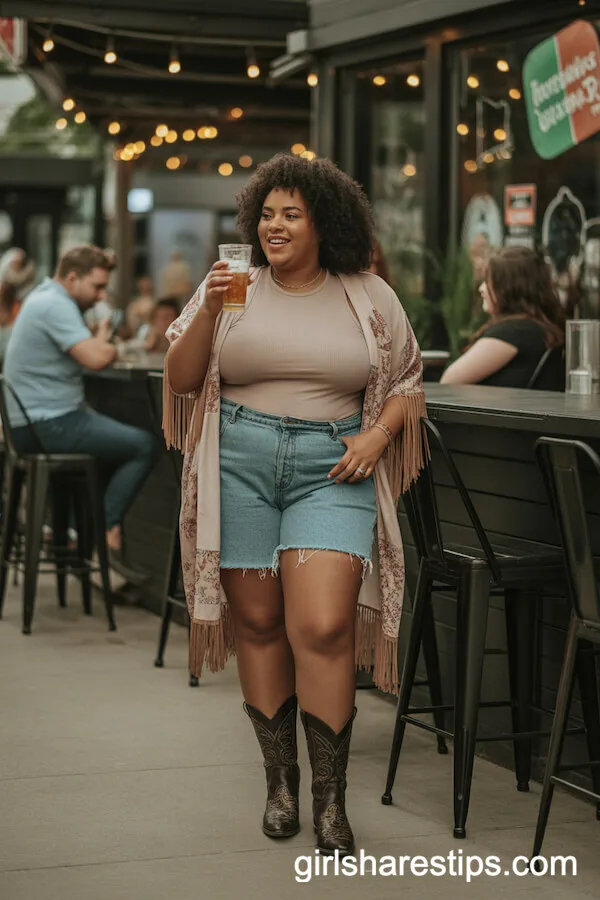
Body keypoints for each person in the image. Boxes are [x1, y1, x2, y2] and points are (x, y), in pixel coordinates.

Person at [163, 153, 426, 857]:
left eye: (291, 214)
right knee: (255, 621)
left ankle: (329, 801)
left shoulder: (367, 294)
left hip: (331, 469)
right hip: (240, 465)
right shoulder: (233, 287)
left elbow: (406, 379)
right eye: (266, 215)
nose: (274, 226)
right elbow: (182, 379)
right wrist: (210, 308)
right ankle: (280, 783)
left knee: (325, 623)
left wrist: (377, 434)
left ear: (324, 223)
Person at [3, 245, 159, 552]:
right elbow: (96, 358)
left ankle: (76, 532)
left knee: (106, 451)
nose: (101, 295)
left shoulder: (44, 299)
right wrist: (110, 346)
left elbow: (90, 350)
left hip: (30, 425)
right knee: (145, 445)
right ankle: (103, 526)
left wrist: (99, 343)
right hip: (46, 424)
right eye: (97, 286)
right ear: (72, 278)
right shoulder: (54, 304)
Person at [441, 245, 566, 389]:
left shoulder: (513, 332)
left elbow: (449, 381)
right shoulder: (536, 328)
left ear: (508, 289)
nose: (481, 289)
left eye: (488, 282)